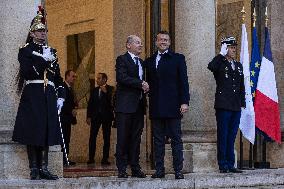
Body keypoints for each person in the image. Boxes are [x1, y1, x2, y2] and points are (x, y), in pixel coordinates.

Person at [12, 9, 65, 180]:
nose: (43, 33)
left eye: (44, 31)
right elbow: (28, 72)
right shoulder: (26, 50)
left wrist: (61, 95)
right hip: (33, 92)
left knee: (46, 129)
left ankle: (44, 167)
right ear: (32, 32)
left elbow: (57, 77)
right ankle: (34, 168)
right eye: (40, 30)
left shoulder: (52, 51)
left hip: (48, 93)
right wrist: (44, 61)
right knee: (33, 129)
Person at [145, 31, 190, 180]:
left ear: (169, 43)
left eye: (166, 40)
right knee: (157, 140)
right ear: (156, 42)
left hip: (173, 106)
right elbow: (147, 82)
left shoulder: (178, 59)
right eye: (160, 39)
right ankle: (159, 170)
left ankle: (178, 170)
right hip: (156, 106)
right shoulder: (150, 61)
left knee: (176, 139)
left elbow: (184, 82)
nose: (163, 42)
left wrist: (184, 102)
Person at [208, 36, 245, 173]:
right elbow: (211, 66)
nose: (233, 50)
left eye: (234, 47)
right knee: (223, 135)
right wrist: (220, 55)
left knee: (232, 135)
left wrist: (242, 102)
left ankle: (230, 163)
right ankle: (222, 164)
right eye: (230, 47)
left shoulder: (238, 65)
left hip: (236, 106)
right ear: (225, 48)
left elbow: (241, 85)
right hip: (223, 105)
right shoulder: (220, 64)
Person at [115, 35, 149, 178]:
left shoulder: (141, 62)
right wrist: (140, 84)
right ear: (128, 45)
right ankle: (122, 168)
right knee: (123, 137)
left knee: (136, 138)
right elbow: (122, 78)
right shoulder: (122, 60)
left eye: (141, 43)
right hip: (125, 106)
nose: (140, 45)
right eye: (137, 43)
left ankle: (135, 167)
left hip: (139, 106)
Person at [86, 73, 114, 166]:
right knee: (92, 137)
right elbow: (90, 104)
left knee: (106, 138)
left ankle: (105, 159)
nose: (97, 80)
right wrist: (88, 116)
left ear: (105, 79)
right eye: (97, 78)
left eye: (99, 78)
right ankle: (91, 158)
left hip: (107, 117)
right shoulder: (94, 90)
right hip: (95, 117)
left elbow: (112, 103)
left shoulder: (111, 89)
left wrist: (106, 93)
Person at [60, 70, 77, 166]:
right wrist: (70, 110)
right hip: (63, 118)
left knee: (67, 139)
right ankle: (63, 159)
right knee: (64, 139)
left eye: (75, 77)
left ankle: (65, 158)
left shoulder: (70, 88)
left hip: (67, 118)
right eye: (73, 76)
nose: (74, 78)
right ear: (67, 76)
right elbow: (62, 102)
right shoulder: (63, 87)